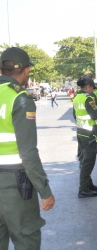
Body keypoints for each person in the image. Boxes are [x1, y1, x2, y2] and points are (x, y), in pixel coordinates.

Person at [0, 47, 55, 249]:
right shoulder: (19, 99)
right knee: (26, 240)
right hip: (15, 186)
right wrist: (45, 191)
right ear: (26, 70)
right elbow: (28, 153)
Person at [73, 77, 97, 198]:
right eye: (92, 88)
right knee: (88, 162)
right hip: (89, 133)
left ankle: (88, 184)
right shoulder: (88, 98)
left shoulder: (76, 98)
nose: (93, 90)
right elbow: (94, 115)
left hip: (80, 132)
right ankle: (83, 189)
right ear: (88, 87)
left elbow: (75, 115)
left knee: (84, 159)